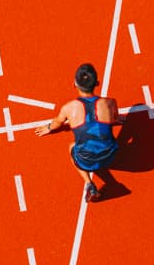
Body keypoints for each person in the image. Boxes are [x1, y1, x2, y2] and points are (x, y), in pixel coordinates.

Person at [35, 63, 121, 202]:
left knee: (71, 147)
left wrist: (49, 127)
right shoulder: (110, 103)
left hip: (86, 161)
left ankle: (89, 183)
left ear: (74, 83)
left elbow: (58, 122)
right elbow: (116, 118)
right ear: (97, 83)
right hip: (111, 155)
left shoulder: (69, 108)